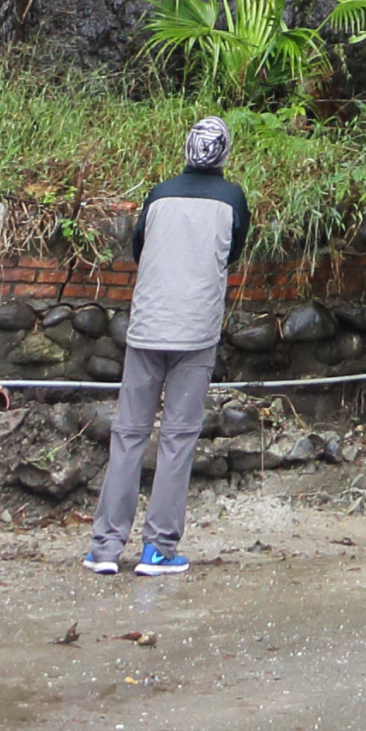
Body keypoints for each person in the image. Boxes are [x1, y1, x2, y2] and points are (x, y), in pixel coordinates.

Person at [85, 114, 253, 576]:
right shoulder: (232, 199)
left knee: (128, 433)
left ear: (187, 149)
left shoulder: (159, 194)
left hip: (147, 327)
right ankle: (158, 549)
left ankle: (104, 548)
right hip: (196, 332)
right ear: (224, 153)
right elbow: (233, 252)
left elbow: (140, 248)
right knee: (178, 438)